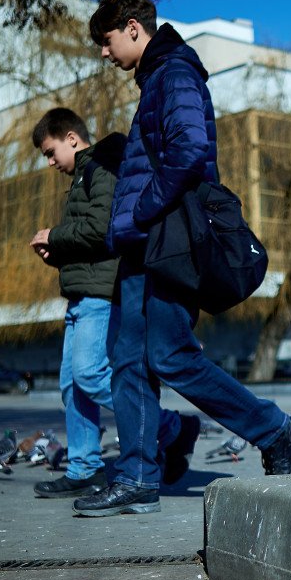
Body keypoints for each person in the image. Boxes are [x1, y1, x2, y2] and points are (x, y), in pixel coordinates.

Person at [75, 0, 291, 517]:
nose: (104, 54)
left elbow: (189, 151)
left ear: (133, 28)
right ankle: (136, 477)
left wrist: (140, 211)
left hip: (167, 240)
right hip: (142, 244)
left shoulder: (175, 72)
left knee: (169, 356)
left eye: (106, 42)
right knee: (126, 360)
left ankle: (274, 429)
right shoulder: (156, 78)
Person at [29, 107, 200, 503]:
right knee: (72, 385)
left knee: (90, 374)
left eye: (51, 152)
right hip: (79, 294)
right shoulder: (83, 175)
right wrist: (55, 253)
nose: (51, 162)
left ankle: (171, 427)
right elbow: (88, 241)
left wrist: (55, 235)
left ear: (72, 137)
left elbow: (102, 226)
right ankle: (84, 468)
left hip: (100, 296)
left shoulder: (101, 167)